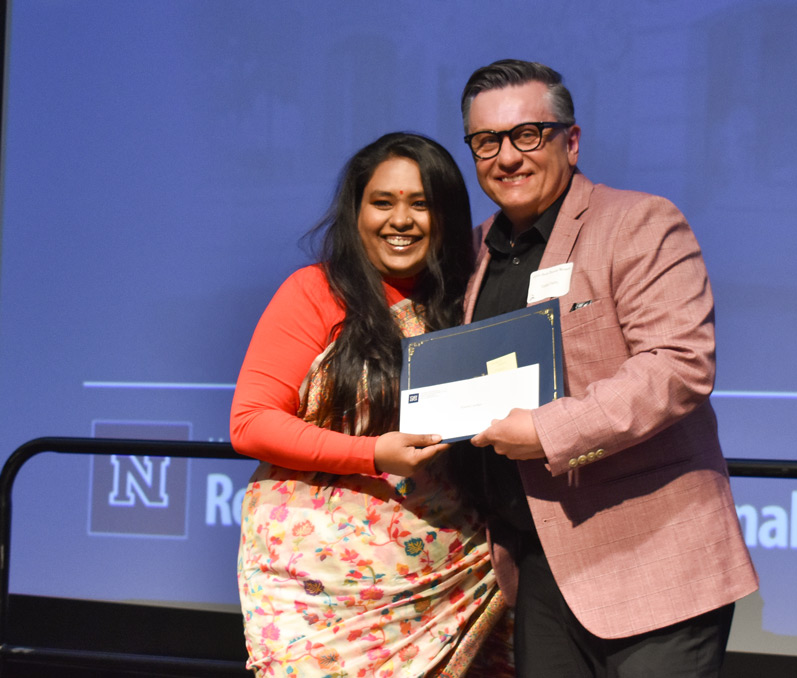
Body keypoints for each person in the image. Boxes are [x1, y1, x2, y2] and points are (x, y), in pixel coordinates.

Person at [456, 59, 759, 677]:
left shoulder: (639, 223)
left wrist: (548, 431)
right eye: (487, 141)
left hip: (655, 557)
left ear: (571, 139)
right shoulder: (473, 249)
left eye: (527, 134)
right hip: (542, 563)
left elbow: (678, 365)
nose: (507, 156)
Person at [230, 132, 506, 678]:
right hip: (315, 594)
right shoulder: (315, 292)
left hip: (446, 584)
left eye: (421, 203)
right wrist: (374, 453)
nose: (400, 220)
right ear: (356, 212)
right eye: (383, 202)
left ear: (447, 216)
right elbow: (250, 423)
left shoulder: (469, 301)